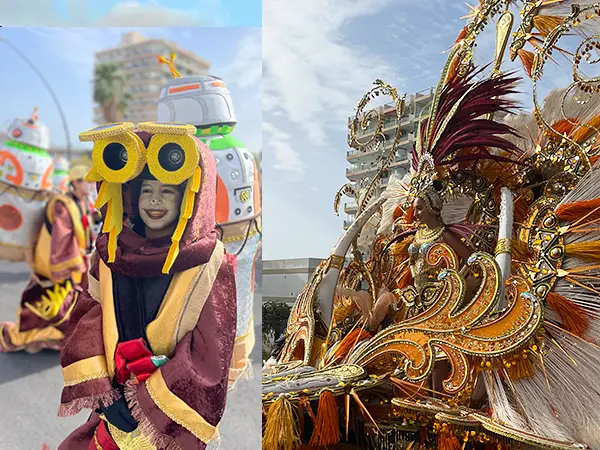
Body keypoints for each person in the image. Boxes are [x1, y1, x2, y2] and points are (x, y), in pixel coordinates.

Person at [57, 122, 236, 450]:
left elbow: (211, 349)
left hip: (166, 419)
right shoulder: (110, 252)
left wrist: (146, 400)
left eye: (167, 190)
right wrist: (105, 395)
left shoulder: (211, 261)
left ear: (188, 197)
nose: (155, 201)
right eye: (147, 190)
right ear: (131, 195)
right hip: (113, 408)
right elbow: (87, 316)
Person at [156, 55, 261, 388]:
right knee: (236, 307)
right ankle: (226, 367)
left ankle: (196, 372)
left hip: (205, 244)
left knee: (195, 310)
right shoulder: (240, 148)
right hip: (244, 240)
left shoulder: (188, 150)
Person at [0, 164, 95, 352]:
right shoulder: (62, 204)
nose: (91, 185)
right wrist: (73, 263)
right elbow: (62, 236)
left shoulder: (82, 202)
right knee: (48, 306)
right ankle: (22, 337)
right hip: (57, 263)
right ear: (75, 183)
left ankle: (51, 339)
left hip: (74, 263)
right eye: (88, 181)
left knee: (60, 305)